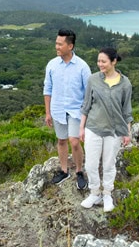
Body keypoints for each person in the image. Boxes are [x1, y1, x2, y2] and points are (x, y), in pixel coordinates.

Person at [79, 47, 133, 212]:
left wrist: (127, 132)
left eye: (103, 61)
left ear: (113, 62)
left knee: (109, 164)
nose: (99, 64)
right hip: (93, 127)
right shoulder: (93, 80)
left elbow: (126, 110)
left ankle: (107, 193)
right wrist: (81, 128)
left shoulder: (125, 83)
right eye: (98, 61)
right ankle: (95, 193)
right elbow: (86, 105)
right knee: (90, 164)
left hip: (115, 130)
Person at [44, 29, 91, 189]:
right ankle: (64, 171)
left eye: (60, 44)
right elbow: (47, 89)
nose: (56, 46)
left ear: (70, 46)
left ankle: (79, 171)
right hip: (58, 110)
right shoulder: (51, 65)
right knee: (61, 140)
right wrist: (48, 112)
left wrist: (87, 115)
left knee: (74, 142)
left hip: (76, 111)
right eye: (56, 43)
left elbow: (88, 92)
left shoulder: (82, 67)